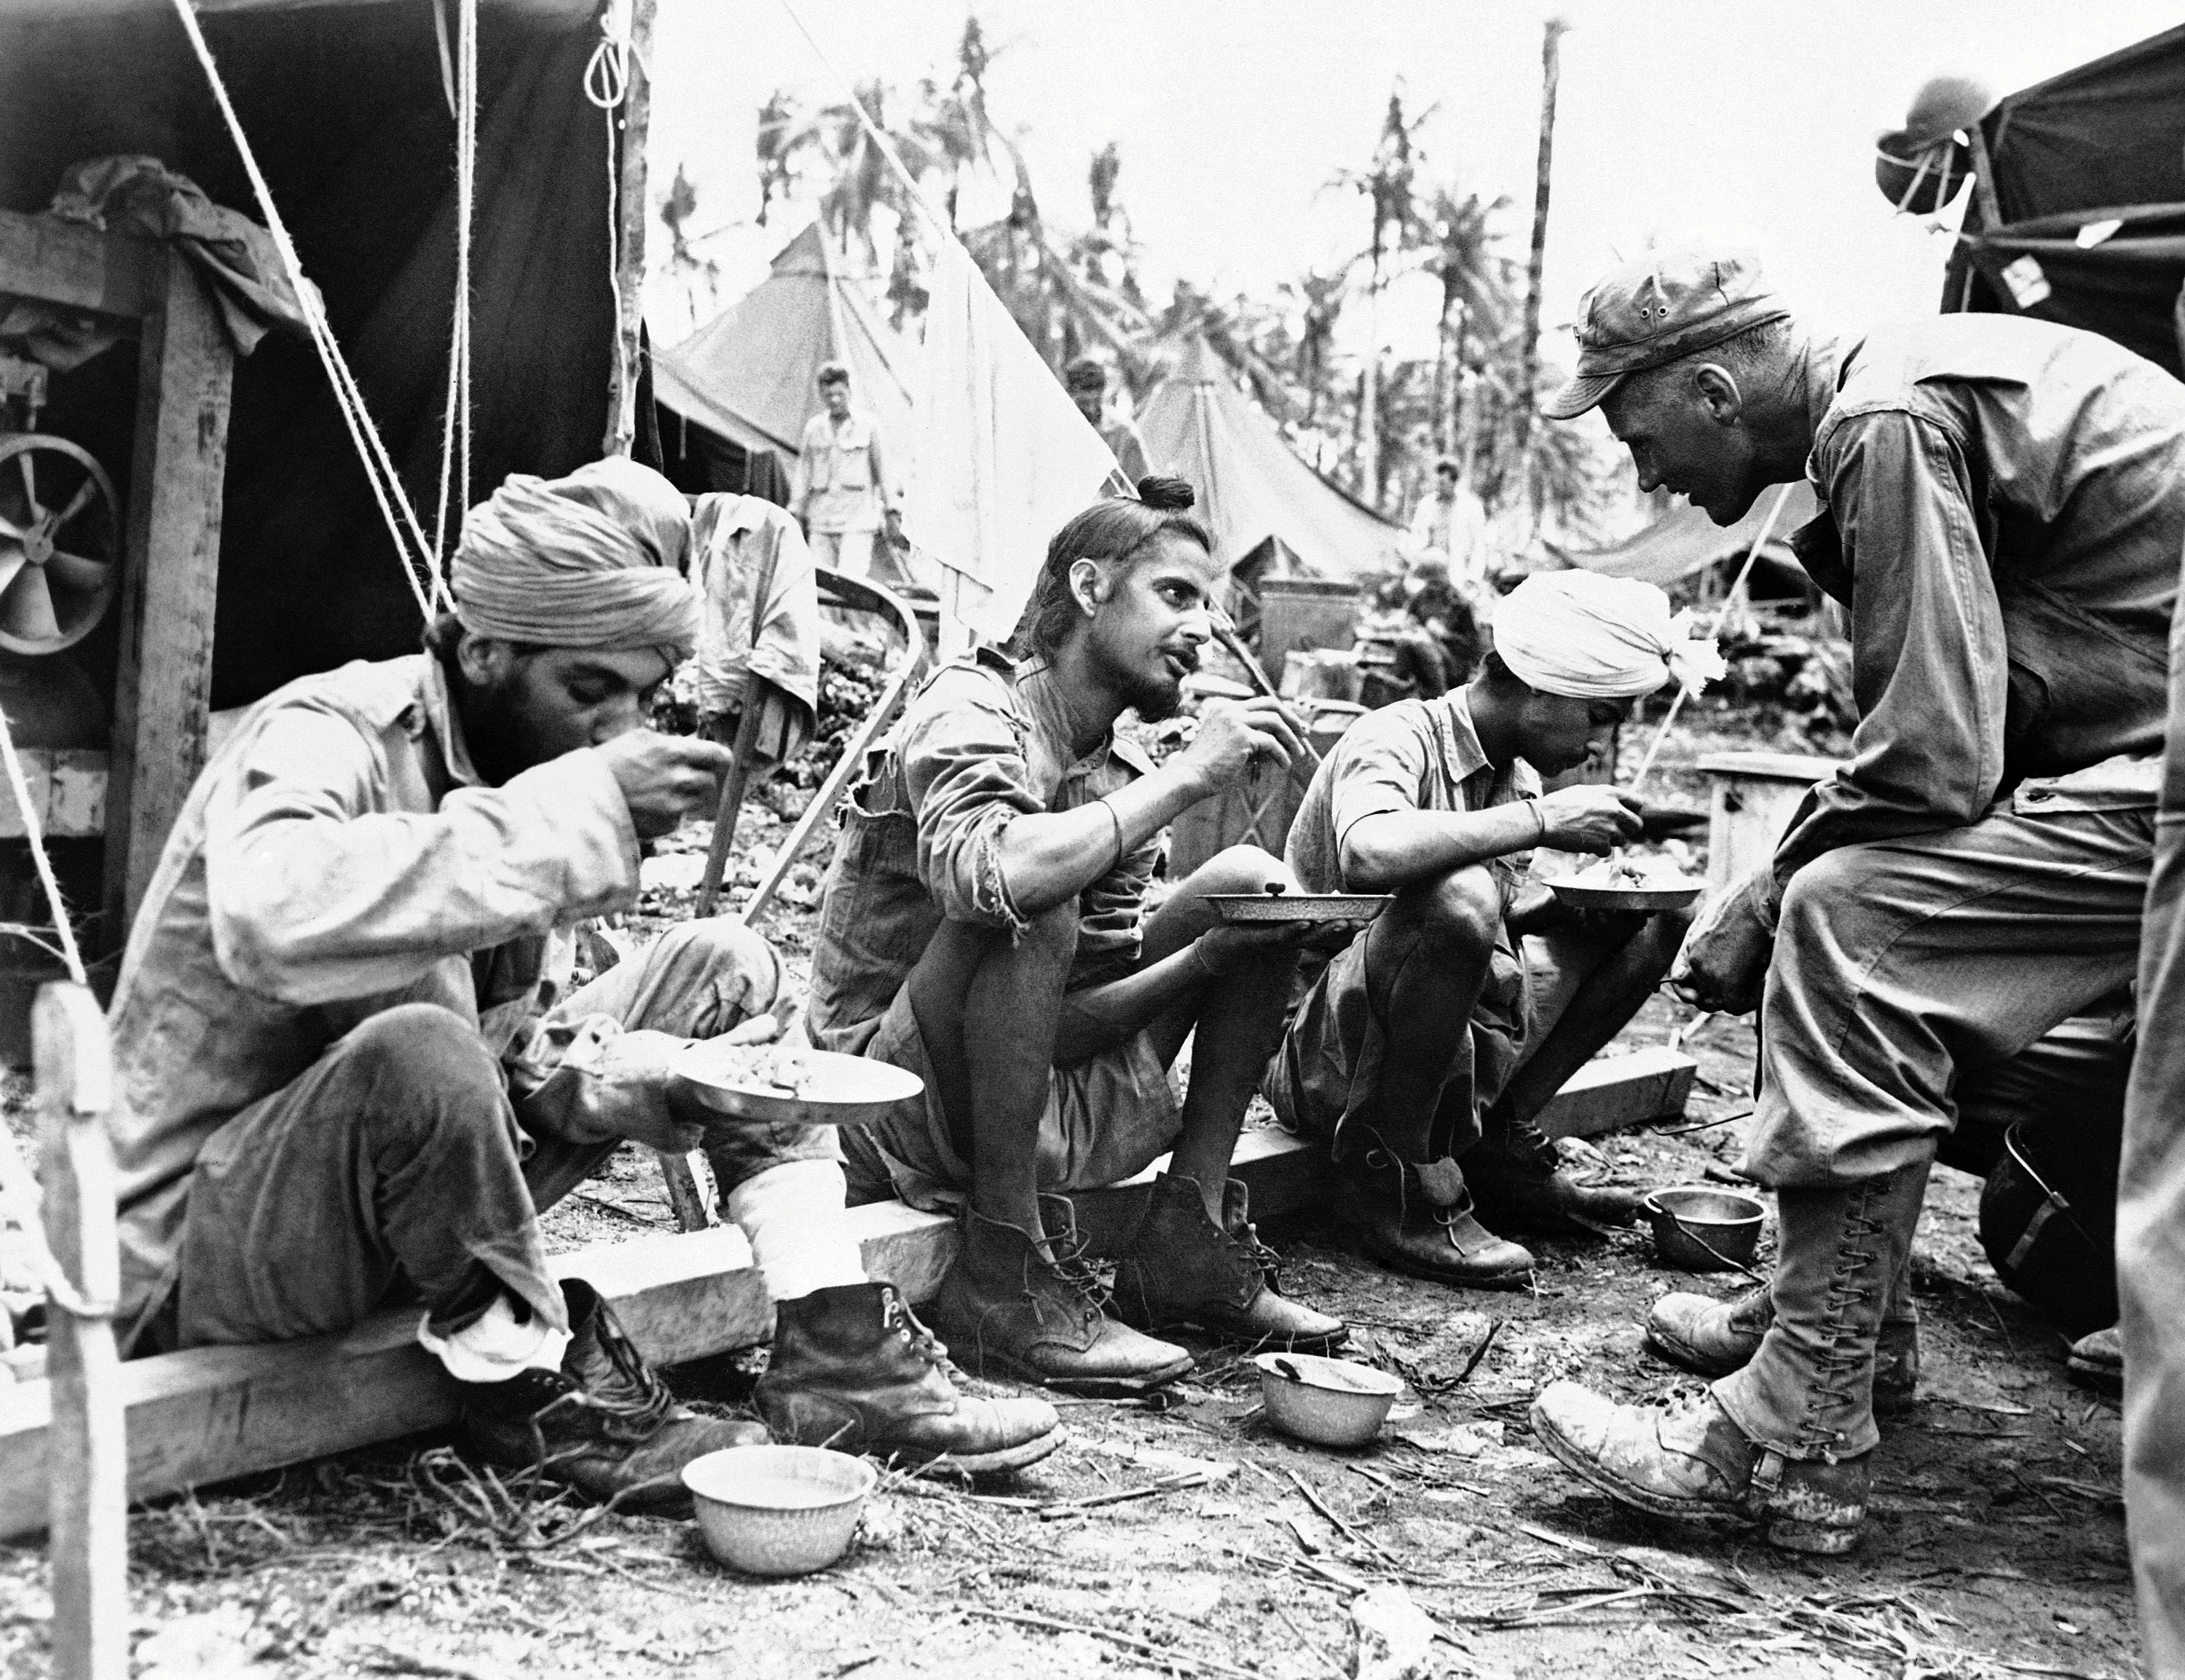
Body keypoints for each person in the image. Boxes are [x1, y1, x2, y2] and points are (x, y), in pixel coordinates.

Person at [107, 458, 1060, 1509]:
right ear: (482, 650)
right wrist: (579, 812)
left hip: (401, 1201)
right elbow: (270, 920)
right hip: (208, 1248)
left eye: (642, 697)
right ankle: (537, 1392)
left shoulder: (513, 768)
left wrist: (637, 1075)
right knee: (422, 1046)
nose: (616, 730)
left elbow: (507, 1052)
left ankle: (835, 1340)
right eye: (588, 690)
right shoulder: (325, 731)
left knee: (721, 965)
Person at [1526, 244, 2185, 1556]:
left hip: (2166, 765)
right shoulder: (1897, 393)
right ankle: (1842, 1335)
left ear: (1716, 390)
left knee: (1846, 916)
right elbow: (1976, 723)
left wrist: (1764, 887)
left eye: (1639, 435)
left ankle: (1787, 1441)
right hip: (2151, 749)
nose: (1646, 477)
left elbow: (1936, 750)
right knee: (1857, 895)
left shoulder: (1881, 418)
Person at [808, 476, 1348, 1392]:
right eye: (1177, 596)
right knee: (1035, 889)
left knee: (1252, 890)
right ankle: (1004, 1274)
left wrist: (1216, 954)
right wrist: (1184, 788)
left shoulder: (1119, 763)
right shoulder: (970, 707)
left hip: (1017, 1093)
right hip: (880, 1100)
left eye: (1211, 607)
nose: (1205, 629)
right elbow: (1003, 884)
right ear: (1091, 589)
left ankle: (1191, 1232)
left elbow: (1060, 1024)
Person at [1264, 571, 1710, 1287]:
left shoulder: (1519, 775)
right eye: (1601, 717)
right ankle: (1393, 1181)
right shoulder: (1398, 735)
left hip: (1422, 1029)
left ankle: (1501, 1144)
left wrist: (1560, 910)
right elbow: (1369, 853)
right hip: (1317, 1055)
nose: (1603, 742)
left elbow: (1474, 930)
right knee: (1459, 894)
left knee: (1659, 918)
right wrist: (1541, 823)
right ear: (1540, 689)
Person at [792, 362, 903, 581]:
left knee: (851, 583)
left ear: (850, 392)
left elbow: (885, 470)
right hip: (821, 521)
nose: (834, 400)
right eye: (828, 395)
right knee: (821, 586)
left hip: (857, 522)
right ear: (821, 395)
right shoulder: (814, 428)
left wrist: (892, 510)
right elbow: (803, 473)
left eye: (840, 394)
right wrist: (796, 511)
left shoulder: (868, 426)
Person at [1065, 355, 1153, 484]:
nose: (1091, 406)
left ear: (1104, 389)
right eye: (1084, 401)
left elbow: (1143, 483)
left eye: (1096, 396)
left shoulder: (1123, 431)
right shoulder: (1058, 427)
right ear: (1070, 392)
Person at [1409, 457, 1491, 590]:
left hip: (1458, 574)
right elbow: (1416, 536)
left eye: (1443, 483)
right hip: (1428, 573)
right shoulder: (1426, 504)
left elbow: (1479, 545)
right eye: (1437, 482)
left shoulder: (1472, 507)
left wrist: (1472, 577)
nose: (1439, 487)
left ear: (1454, 482)